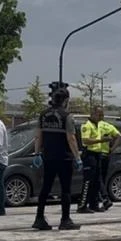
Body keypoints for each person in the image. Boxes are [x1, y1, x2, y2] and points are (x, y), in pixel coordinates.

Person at [30, 87, 82, 230]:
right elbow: (71, 138)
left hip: (48, 157)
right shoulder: (67, 116)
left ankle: (39, 218)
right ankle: (65, 220)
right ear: (65, 100)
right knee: (65, 189)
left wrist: (37, 153)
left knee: (45, 188)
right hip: (64, 157)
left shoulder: (43, 115)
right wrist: (77, 157)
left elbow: (38, 135)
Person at [77, 107, 108, 214]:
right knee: (88, 181)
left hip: (97, 154)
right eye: (99, 115)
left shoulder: (98, 125)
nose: (101, 118)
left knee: (97, 181)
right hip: (89, 154)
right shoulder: (87, 126)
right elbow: (85, 140)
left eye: (102, 115)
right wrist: (100, 140)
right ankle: (82, 205)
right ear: (93, 114)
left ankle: (94, 204)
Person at [96, 109, 121, 210]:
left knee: (97, 178)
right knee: (102, 178)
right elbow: (120, 137)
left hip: (97, 154)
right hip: (106, 155)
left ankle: (103, 199)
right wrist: (112, 149)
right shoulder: (108, 126)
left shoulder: (95, 126)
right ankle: (101, 200)